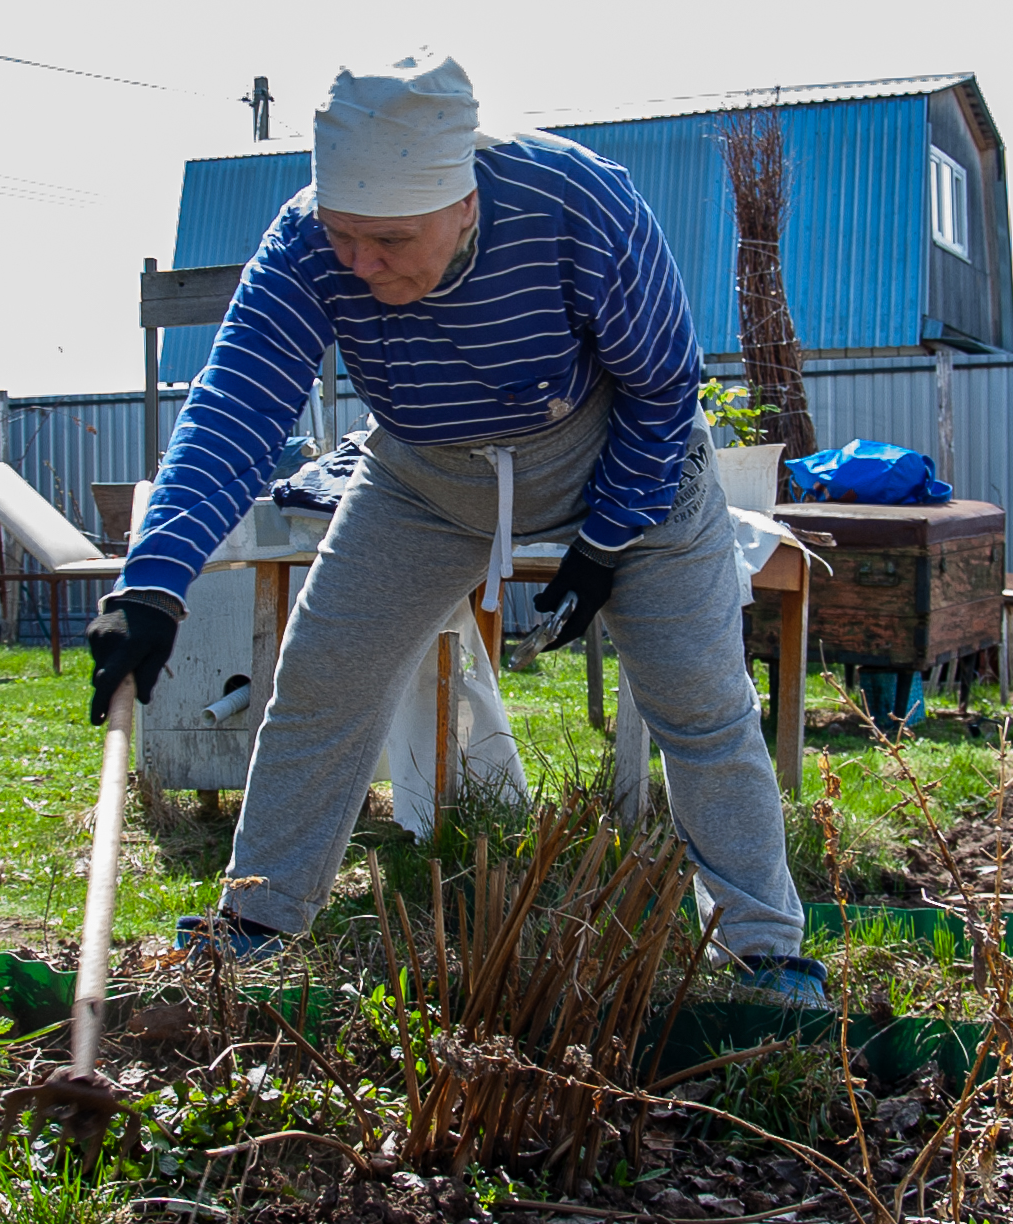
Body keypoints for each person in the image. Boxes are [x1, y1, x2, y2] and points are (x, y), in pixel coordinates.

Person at [87, 55, 824, 1004]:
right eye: (343, 236)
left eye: (389, 239)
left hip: (622, 457)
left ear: (463, 203)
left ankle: (764, 951)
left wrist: (604, 541)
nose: (359, 263)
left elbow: (660, 385)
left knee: (701, 703)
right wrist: (153, 582)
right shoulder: (309, 240)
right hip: (422, 477)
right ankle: (258, 918)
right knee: (323, 681)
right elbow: (236, 405)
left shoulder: (577, 205)